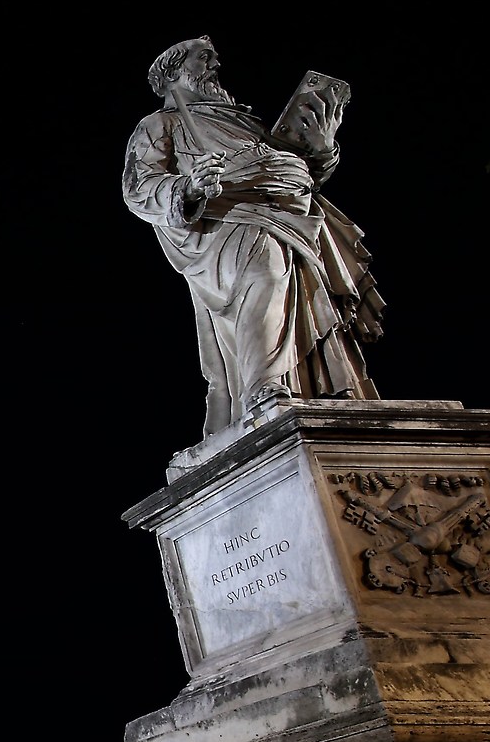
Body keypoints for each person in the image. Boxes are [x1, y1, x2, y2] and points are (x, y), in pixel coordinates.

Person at [122, 36, 381, 441]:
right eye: (203, 57)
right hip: (228, 221)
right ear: (175, 69)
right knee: (267, 273)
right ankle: (263, 388)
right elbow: (139, 189)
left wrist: (321, 150)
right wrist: (188, 187)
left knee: (303, 297)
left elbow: (292, 174)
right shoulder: (160, 125)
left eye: (214, 56)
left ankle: (307, 388)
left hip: (292, 218)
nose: (214, 63)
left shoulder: (247, 121)